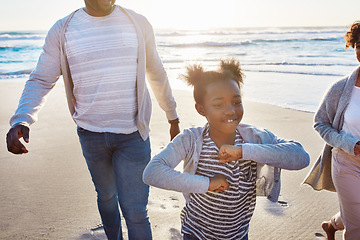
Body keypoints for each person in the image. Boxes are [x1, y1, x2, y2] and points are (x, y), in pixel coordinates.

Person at [6, 1, 180, 239]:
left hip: (133, 136)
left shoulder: (137, 23)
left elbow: (156, 72)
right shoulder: (63, 29)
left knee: (136, 211)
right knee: (107, 196)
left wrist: (173, 116)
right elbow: (41, 79)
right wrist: (22, 119)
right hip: (91, 136)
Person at [142, 59, 310, 240]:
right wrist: (207, 183)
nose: (230, 110)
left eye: (236, 102)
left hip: (238, 235)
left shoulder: (255, 139)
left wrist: (243, 151)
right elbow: (152, 172)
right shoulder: (191, 139)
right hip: (196, 234)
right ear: (201, 109)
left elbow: (301, 157)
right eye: (218, 105)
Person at [303, 21, 360, 240]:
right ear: (354, 48)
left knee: (354, 214)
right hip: (346, 164)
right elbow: (320, 123)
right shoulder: (340, 89)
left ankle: (331, 225)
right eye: (359, 44)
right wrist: (349, 144)